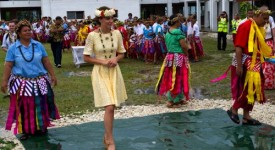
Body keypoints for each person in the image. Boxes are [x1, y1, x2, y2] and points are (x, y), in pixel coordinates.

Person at [0, 20, 60, 140]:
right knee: (24, 107)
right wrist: (4, 81)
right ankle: (26, 130)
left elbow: (46, 61)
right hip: (21, 82)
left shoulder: (38, 45)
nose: (28, 32)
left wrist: (52, 75)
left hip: (40, 80)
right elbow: (8, 65)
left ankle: (41, 127)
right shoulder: (13, 48)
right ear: (19, 33)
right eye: (25, 31)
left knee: (41, 104)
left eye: (29, 30)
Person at [83, 6, 127, 150]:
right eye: (107, 18)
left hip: (114, 72)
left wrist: (116, 59)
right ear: (100, 19)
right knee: (108, 106)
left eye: (111, 18)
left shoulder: (117, 34)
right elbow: (86, 57)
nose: (110, 21)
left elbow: (121, 52)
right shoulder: (92, 36)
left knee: (112, 107)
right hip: (100, 72)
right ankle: (110, 140)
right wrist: (103, 62)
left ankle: (107, 136)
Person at [227, 6, 271, 125]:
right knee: (247, 89)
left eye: (267, 19)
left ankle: (246, 116)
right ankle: (234, 109)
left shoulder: (259, 27)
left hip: (255, 62)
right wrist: (240, 66)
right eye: (265, 18)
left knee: (255, 89)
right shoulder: (245, 25)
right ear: (257, 16)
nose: (266, 21)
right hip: (245, 61)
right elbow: (238, 47)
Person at [155, 14, 190, 108]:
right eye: (179, 21)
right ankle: (174, 100)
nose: (180, 23)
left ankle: (176, 98)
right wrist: (187, 53)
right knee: (178, 77)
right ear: (176, 22)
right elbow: (183, 46)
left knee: (171, 77)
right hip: (178, 57)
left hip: (169, 57)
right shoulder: (178, 32)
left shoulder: (168, 32)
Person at [262, 15, 275, 89]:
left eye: (267, 18)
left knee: (270, 64)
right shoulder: (260, 24)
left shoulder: (271, 23)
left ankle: (270, 83)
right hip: (262, 44)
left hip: (269, 44)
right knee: (262, 63)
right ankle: (263, 83)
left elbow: (274, 36)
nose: (265, 19)